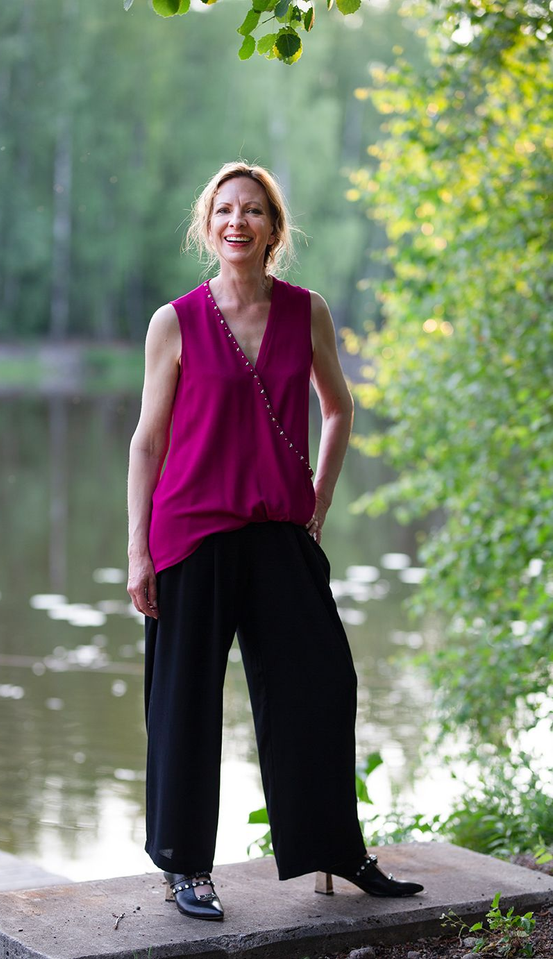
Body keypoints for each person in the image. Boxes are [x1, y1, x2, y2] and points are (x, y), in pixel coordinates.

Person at [127, 161, 424, 921]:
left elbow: (339, 407)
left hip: (279, 532)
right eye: (225, 210)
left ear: (274, 229)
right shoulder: (175, 321)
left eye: (253, 210)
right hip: (191, 533)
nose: (238, 222)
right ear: (208, 226)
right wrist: (137, 550)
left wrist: (318, 498)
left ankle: (335, 848)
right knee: (186, 702)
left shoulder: (306, 311)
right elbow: (148, 440)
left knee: (322, 683)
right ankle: (185, 867)